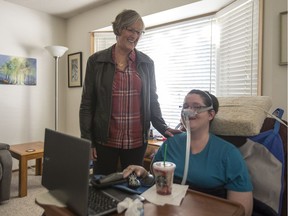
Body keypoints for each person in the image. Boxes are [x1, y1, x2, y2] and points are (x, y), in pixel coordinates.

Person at [79, 9, 181, 175]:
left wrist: (162, 127)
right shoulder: (96, 61)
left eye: (139, 32)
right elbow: (87, 104)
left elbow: (152, 99)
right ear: (118, 29)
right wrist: (87, 141)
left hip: (136, 141)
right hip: (104, 140)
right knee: (102, 184)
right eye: (131, 30)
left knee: (133, 187)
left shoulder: (147, 63)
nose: (135, 35)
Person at [123, 89, 253, 216]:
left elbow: (242, 210)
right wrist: (144, 174)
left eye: (196, 107)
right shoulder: (170, 144)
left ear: (211, 114)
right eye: (185, 106)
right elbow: (156, 183)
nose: (188, 111)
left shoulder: (229, 154)